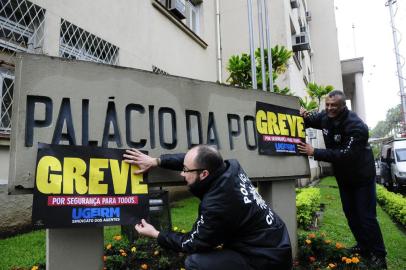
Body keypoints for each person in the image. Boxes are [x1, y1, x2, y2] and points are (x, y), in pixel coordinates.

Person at [123, 145, 292, 270]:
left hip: (265, 259)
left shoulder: (217, 205)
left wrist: (156, 234)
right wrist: (156, 161)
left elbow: (192, 243)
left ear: (204, 174)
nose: (182, 174)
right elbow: (194, 159)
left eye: (185, 170)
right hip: (275, 242)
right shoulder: (230, 167)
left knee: (196, 262)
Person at [297, 90, 387, 269]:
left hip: (362, 177)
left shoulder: (357, 127)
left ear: (343, 106)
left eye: (334, 106)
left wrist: (314, 152)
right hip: (344, 178)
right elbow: (307, 121)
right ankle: (363, 246)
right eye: (327, 105)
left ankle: (379, 255)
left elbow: (346, 155)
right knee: (351, 215)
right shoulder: (324, 117)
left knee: (366, 217)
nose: (329, 108)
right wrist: (302, 115)